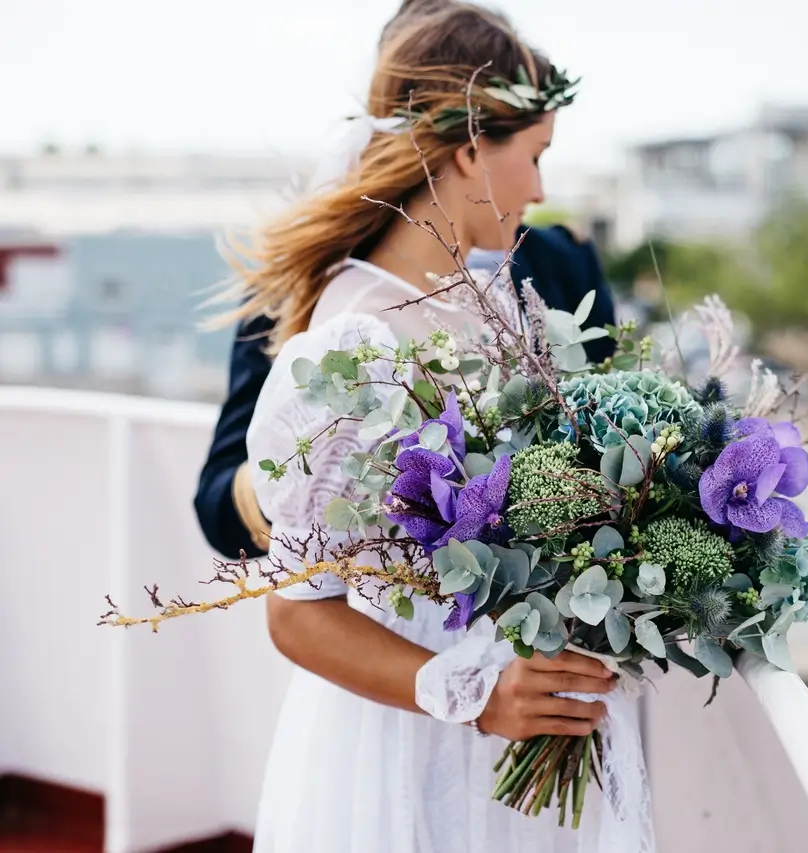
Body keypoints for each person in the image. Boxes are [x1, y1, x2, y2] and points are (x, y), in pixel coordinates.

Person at [215, 4, 648, 850]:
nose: (541, 190)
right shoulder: (354, 345)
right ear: (467, 151)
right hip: (412, 746)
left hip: (523, 738)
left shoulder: (503, 307)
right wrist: (477, 693)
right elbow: (297, 614)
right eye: (536, 155)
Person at [193, 0, 616, 563]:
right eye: (535, 155)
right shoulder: (307, 290)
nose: (539, 189)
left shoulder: (560, 263)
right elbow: (225, 507)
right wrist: (323, 458)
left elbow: (607, 433)